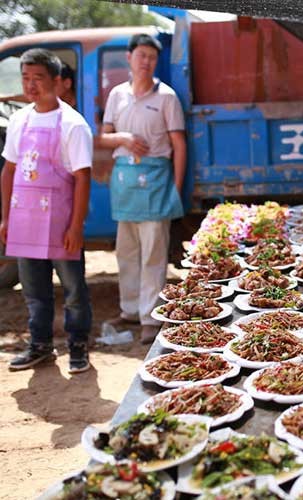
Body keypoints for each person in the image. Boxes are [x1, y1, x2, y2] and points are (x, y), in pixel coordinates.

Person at [0, 48, 93, 373]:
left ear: (57, 80)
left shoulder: (72, 124)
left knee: (73, 291)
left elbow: (83, 177)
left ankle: (78, 347)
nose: (30, 85)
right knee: (35, 292)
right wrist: (6, 217)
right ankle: (40, 345)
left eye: (37, 78)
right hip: (25, 221)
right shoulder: (19, 120)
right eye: (25, 78)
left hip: (60, 223)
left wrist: (76, 226)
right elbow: (9, 170)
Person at [99, 34, 186, 344]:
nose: (146, 60)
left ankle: (151, 317)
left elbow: (178, 144)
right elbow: (102, 137)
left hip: (156, 181)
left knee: (153, 254)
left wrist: (175, 188)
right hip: (125, 182)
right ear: (129, 57)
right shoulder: (117, 96)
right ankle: (130, 309)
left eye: (151, 56)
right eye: (141, 54)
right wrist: (123, 139)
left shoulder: (167, 97)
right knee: (127, 252)